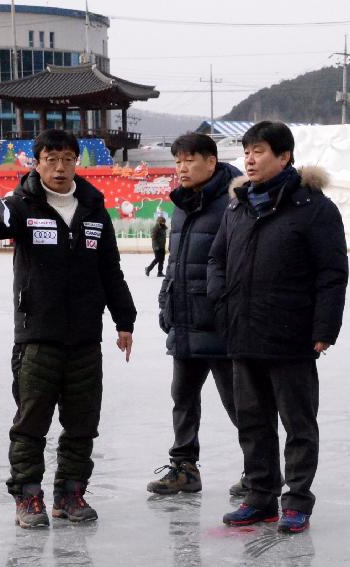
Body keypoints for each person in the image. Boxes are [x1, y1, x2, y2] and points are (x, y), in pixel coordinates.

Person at [0, 129, 136, 529]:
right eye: (51, 159)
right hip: (37, 336)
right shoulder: (21, 205)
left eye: (67, 159)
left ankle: (71, 494)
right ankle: (28, 497)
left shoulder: (94, 209)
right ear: (36, 163)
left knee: (82, 423)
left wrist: (124, 320)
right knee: (31, 422)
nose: (60, 167)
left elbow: (110, 270)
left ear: (77, 162)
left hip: (84, 339)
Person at [208, 121, 348, 534]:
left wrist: (325, 327)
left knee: (298, 424)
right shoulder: (237, 206)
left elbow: (331, 273)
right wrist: (222, 302)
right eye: (246, 151)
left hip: (292, 334)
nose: (249, 159)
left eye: (260, 151)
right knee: (252, 423)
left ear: (285, 156)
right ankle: (260, 496)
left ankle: (297, 500)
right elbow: (216, 260)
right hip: (242, 332)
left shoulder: (313, 207)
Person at [147, 133, 245, 496]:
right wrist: (166, 301)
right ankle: (184, 467)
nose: (182, 168)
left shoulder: (234, 202)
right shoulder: (181, 204)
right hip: (185, 318)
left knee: (240, 404)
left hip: (219, 323)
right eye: (177, 161)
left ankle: (259, 471)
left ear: (211, 161)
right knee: (183, 399)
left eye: (190, 160)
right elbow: (176, 262)